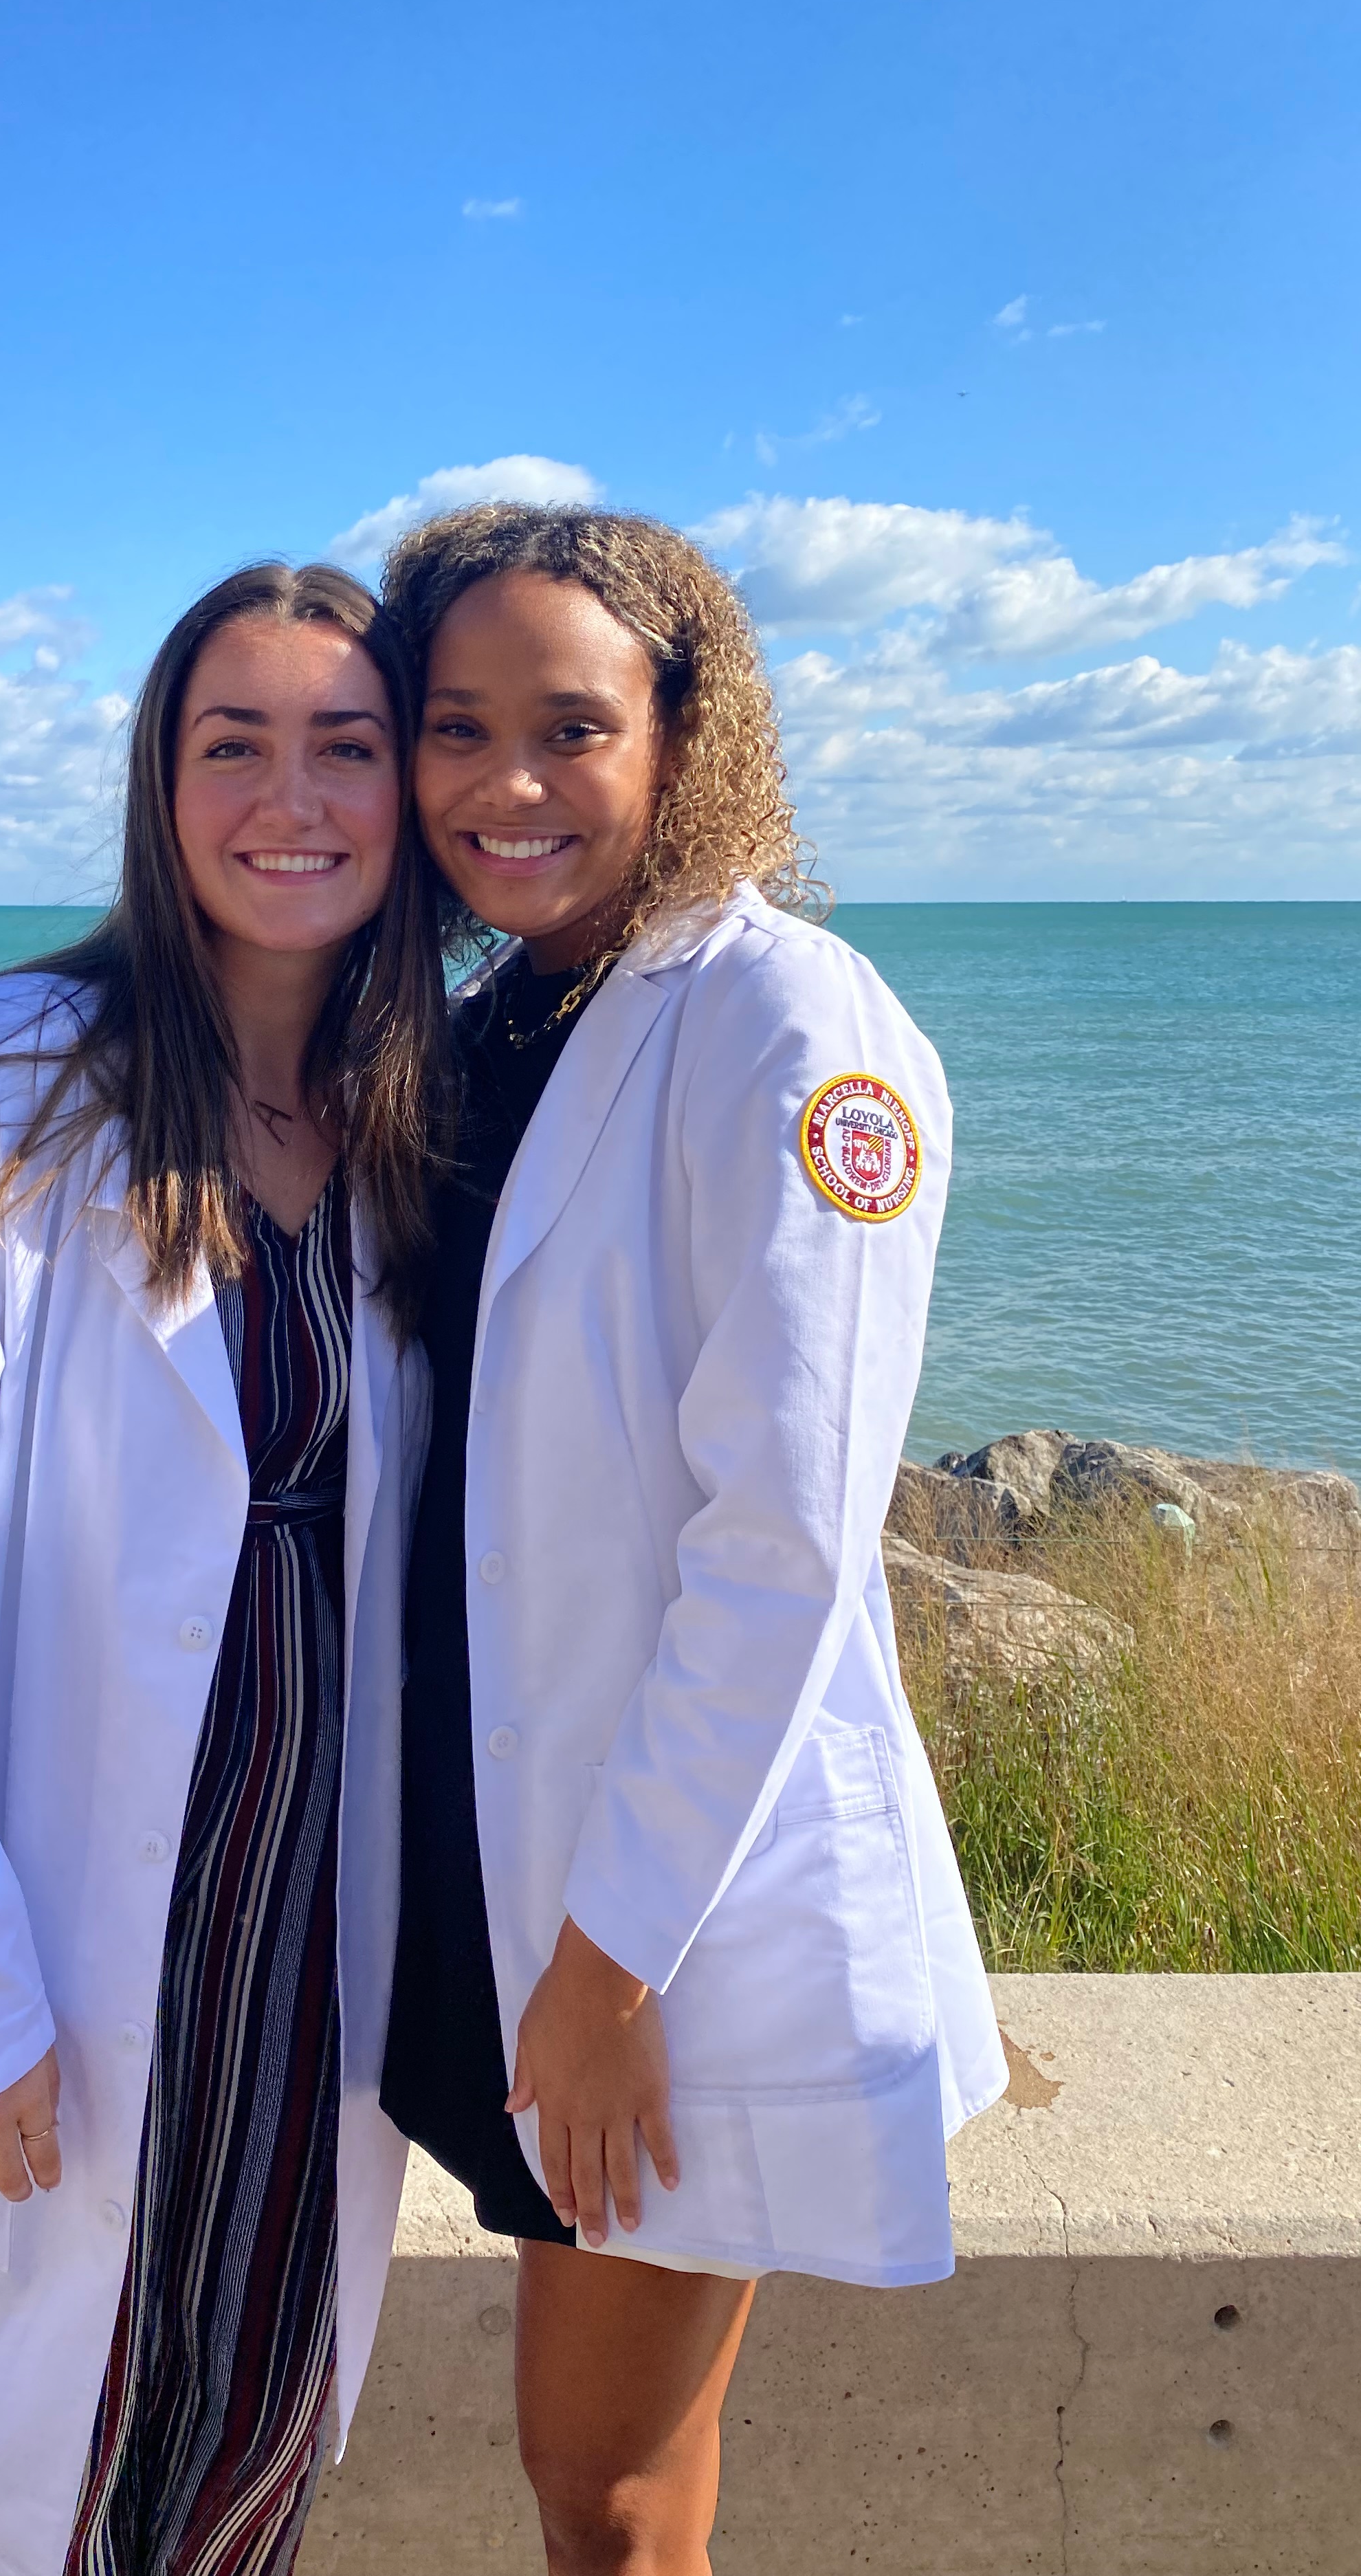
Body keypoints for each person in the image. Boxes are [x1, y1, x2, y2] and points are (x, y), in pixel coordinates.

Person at [0, 562, 447, 2576]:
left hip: (311, 1910)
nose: (291, 800)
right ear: (161, 784)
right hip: (63, 1907)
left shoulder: (412, 1115)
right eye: (236, 746)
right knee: (40, 2469)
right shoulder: (6, 1090)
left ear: (404, 792)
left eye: (346, 746)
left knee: (250, 2422)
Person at [376, 505, 1007, 2576]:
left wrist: (609, 1963)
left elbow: (784, 1541)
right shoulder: (503, 1021)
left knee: (610, 2488)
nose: (509, 784)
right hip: (492, 1849)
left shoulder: (792, 1027)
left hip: (651, 1915)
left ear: (684, 733)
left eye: (572, 726)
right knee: (600, 2475)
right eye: (457, 727)